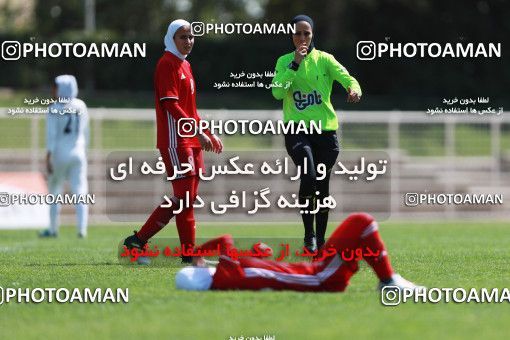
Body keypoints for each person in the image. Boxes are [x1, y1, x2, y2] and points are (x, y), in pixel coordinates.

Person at [123, 19, 223, 263]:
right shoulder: (166, 63)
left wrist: (207, 132)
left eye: (190, 37)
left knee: (185, 198)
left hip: (191, 139)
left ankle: (142, 243)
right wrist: (196, 132)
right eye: (182, 37)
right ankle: (180, 252)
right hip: (176, 140)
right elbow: (170, 104)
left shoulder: (185, 65)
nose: (188, 41)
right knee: (185, 198)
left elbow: (192, 109)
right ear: (171, 38)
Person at [271, 15, 362, 253]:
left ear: (312, 35)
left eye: (307, 33)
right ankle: (308, 235)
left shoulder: (325, 60)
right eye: (298, 33)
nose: (302, 38)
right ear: (291, 36)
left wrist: (354, 89)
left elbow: (348, 78)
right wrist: (295, 65)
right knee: (309, 176)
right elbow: (277, 93)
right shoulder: (284, 62)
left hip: (325, 133)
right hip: (297, 131)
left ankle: (321, 241)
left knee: (322, 187)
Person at [175, 213, 423, 292]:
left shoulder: (230, 274)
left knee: (361, 228)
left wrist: (259, 253)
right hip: (320, 276)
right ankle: (389, 281)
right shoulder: (225, 276)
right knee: (362, 223)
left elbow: (260, 263)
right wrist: (197, 253)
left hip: (318, 270)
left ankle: (388, 281)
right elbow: (225, 240)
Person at [41, 75, 90, 238]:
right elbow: (85, 132)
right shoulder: (81, 105)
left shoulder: (54, 107)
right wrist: (84, 150)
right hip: (79, 152)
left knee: (54, 191)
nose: (53, 90)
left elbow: (51, 135)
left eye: (55, 87)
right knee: (80, 191)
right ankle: (82, 230)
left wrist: (48, 157)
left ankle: (53, 229)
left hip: (60, 153)